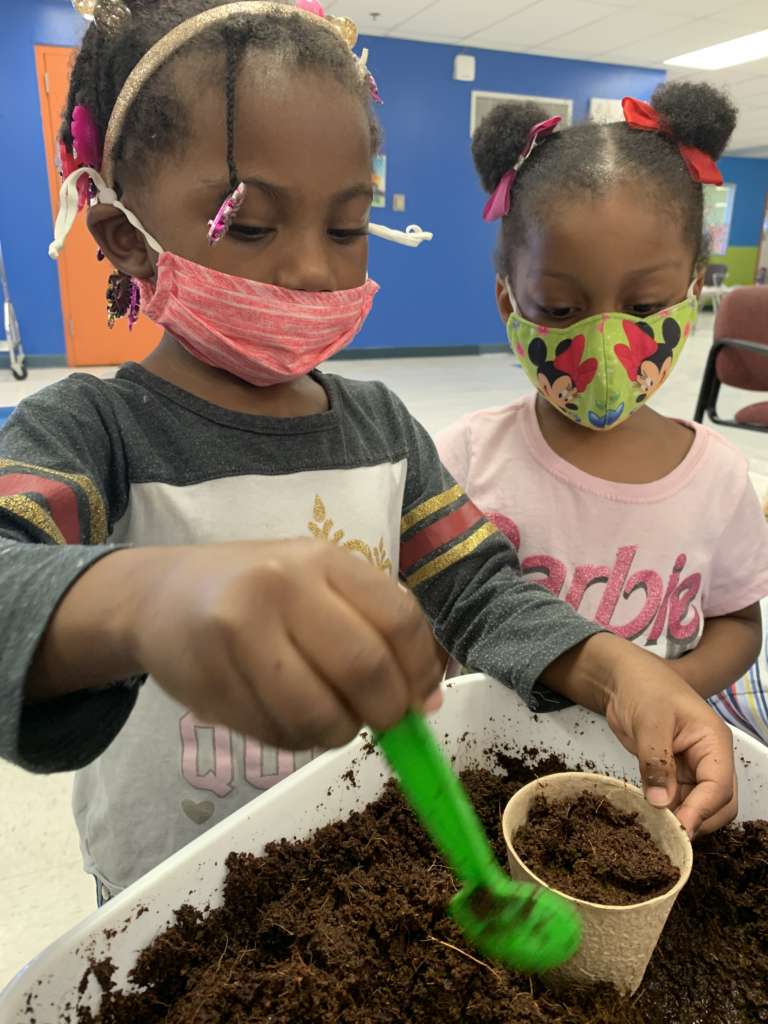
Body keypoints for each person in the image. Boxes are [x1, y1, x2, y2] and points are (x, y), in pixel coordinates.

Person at [0, 2, 735, 904]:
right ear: (123, 235)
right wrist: (144, 599)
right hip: (165, 894)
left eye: (347, 228)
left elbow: (478, 590)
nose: (313, 268)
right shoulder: (91, 433)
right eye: (253, 225)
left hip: (350, 866)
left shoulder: (382, 429)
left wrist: (619, 668)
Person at [437, 83, 768, 750]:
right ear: (509, 302)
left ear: (692, 291)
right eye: (559, 311)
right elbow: (428, 610)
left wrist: (666, 684)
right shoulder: (466, 459)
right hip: (486, 751)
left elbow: (738, 621)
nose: (605, 347)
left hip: (644, 761)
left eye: (645, 307)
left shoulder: (720, 478)